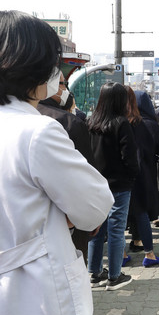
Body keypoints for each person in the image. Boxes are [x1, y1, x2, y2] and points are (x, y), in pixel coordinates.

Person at [0, 10, 114, 315]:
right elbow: (95, 206)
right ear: (30, 67)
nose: (57, 72)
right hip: (37, 295)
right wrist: (64, 218)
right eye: (52, 62)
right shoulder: (38, 132)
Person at [37, 71, 96, 263]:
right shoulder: (68, 122)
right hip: (67, 225)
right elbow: (85, 182)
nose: (66, 90)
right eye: (63, 84)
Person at [88, 82, 140, 290]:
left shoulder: (90, 122)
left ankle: (94, 273)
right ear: (120, 100)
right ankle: (115, 276)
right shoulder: (121, 123)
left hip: (95, 184)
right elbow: (129, 157)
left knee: (97, 229)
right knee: (117, 229)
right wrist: (133, 174)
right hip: (119, 184)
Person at [124, 88, 159, 267]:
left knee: (118, 216)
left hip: (115, 179)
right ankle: (149, 254)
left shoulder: (109, 122)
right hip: (140, 176)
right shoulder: (143, 123)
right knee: (140, 213)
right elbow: (155, 149)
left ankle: (121, 253)